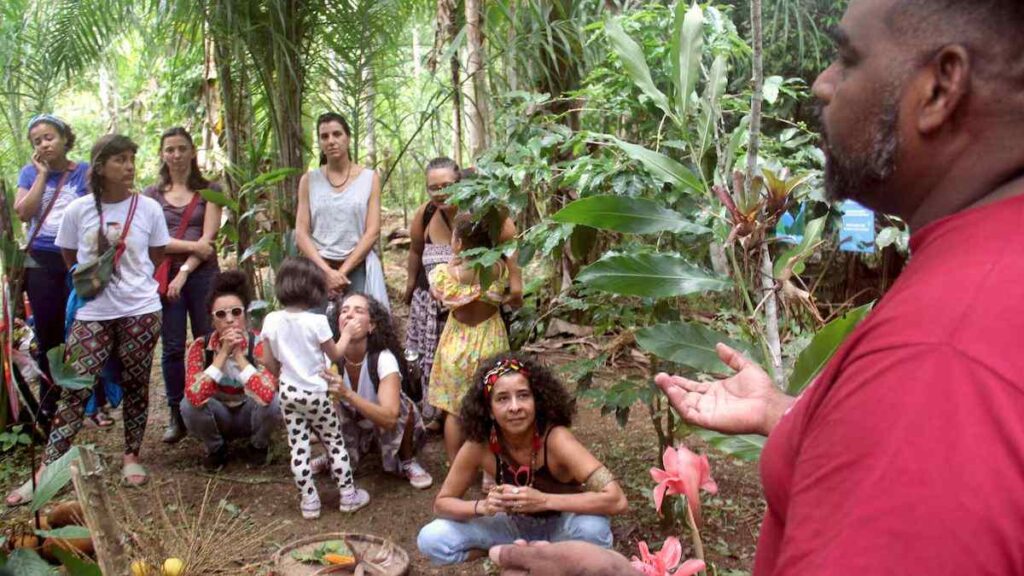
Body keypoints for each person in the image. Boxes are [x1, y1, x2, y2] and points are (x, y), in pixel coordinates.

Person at [497, 1, 1024, 574]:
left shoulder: (935, 358)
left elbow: (929, 420)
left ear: (941, 88)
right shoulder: (989, 267)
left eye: (848, 58)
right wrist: (791, 414)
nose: (823, 85)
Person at [6, 134, 170, 505]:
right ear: (99, 167)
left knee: (136, 382)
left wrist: (129, 281)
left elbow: (156, 255)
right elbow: (68, 256)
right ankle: (48, 468)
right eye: (120, 160)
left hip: (140, 310)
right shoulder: (78, 210)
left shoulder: (148, 209)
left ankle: (131, 455)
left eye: (131, 159)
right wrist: (96, 280)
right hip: (93, 311)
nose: (129, 166)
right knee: (75, 387)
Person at [417, 353, 627, 565]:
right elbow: (442, 504)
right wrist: (483, 506)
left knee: (593, 528)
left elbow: (616, 499)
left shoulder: (557, 440)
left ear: (537, 402)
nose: (515, 407)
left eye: (523, 395)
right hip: (511, 526)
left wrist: (544, 500)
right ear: (489, 410)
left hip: (564, 529)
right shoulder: (479, 446)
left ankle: (543, 559)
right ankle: (514, 556)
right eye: (502, 398)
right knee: (432, 538)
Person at [260, 256, 370, 519]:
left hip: (288, 393)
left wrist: (283, 376)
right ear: (313, 289)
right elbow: (334, 355)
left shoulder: (271, 320)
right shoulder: (316, 321)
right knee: (333, 441)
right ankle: (347, 495)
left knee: (298, 446)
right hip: (317, 393)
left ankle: (309, 501)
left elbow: (267, 360)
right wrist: (347, 334)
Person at [13, 115, 100, 431]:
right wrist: (40, 176)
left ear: (64, 137)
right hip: (41, 262)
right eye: (37, 141)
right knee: (48, 333)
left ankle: (87, 402)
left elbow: (97, 213)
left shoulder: (84, 174)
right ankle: (50, 404)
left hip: (77, 261)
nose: (44, 144)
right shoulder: (28, 173)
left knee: (83, 330)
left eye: (49, 137)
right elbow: (23, 212)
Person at [145, 127, 222, 444]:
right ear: (162, 154)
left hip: (201, 276)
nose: (175, 155)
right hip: (165, 277)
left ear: (192, 152)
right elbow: (154, 241)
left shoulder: (210, 190)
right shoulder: (151, 195)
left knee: (207, 340)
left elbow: (208, 241)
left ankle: (207, 407)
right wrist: (189, 251)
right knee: (174, 347)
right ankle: (177, 414)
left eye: (181, 148)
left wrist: (185, 270)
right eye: (169, 149)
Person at [314, 292, 432, 489]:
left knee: (403, 407)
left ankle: (407, 460)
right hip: (352, 422)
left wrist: (346, 393)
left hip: (380, 422)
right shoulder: (329, 358)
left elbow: (390, 417)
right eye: (344, 311)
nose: (349, 315)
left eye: (358, 311)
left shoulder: (384, 359)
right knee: (315, 402)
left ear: (372, 325)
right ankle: (333, 456)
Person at [428, 214, 520, 463]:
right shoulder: (499, 269)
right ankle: (490, 470)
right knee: (490, 406)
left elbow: (435, 292)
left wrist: (453, 260)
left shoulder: (445, 273)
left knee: (454, 411)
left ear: (457, 243)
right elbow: (514, 296)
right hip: (490, 340)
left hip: (455, 342)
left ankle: (454, 462)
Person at [180, 270, 280, 470]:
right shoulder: (200, 347)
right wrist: (223, 354)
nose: (229, 319)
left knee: (275, 401)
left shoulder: (260, 344)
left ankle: (258, 446)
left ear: (245, 314)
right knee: (187, 405)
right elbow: (194, 395)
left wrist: (239, 357)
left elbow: (267, 394)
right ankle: (216, 449)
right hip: (218, 415)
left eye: (236, 312)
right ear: (212, 320)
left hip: (249, 413)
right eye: (221, 314)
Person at [295, 112, 390, 317]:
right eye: (324, 136)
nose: (331, 141)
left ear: (347, 138)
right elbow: (301, 233)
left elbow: (372, 231)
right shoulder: (309, 180)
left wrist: (342, 272)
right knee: (316, 329)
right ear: (319, 142)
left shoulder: (369, 178)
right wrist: (327, 272)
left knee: (358, 327)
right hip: (318, 268)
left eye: (337, 134)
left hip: (356, 266)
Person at [404, 157, 460, 430]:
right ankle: (436, 412)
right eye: (433, 187)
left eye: (447, 185)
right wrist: (410, 287)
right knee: (432, 358)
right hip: (429, 305)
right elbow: (415, 251)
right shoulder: (425, 214)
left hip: (464, 308)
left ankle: (462, 413)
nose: (440, 193)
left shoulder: (475, 213)